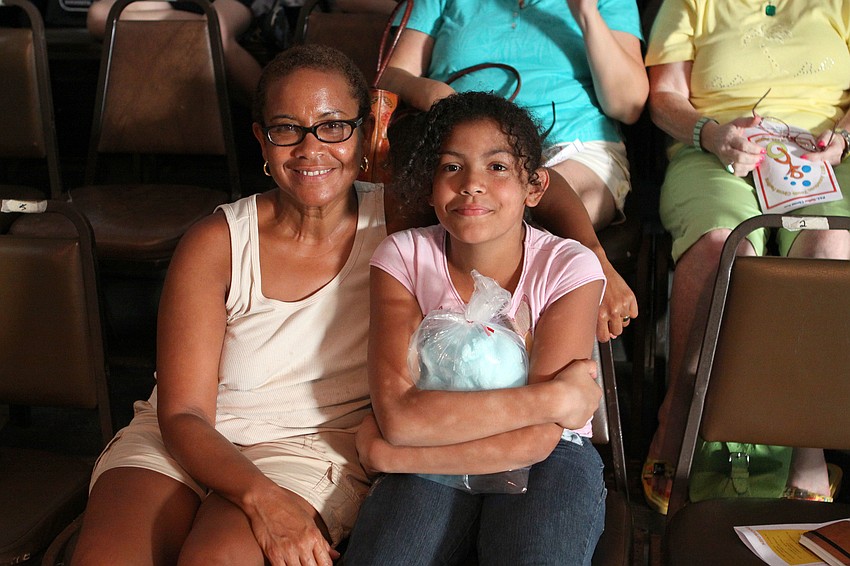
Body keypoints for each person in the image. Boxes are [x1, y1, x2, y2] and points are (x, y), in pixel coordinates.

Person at [71, 45, 384, 566]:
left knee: (214, 559)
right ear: (262, 138)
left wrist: (576, 237)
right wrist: (261, 499)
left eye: (333, 126)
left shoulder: (398, 222)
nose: (311, 148)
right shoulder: (217, 240)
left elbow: (513, 179)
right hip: (190, 435)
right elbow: (184, 411)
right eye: (287, 128)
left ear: (365, 132)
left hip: (308, 445)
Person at [342, 91, 607, 566]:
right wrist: (553, 399)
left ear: (535, 186)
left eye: (498, 167)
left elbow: (538, 438)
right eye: (450, 167)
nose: (472, 185)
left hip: (549, 458)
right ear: (428, 185)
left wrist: (393, 458)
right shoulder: (403, 258)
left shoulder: (569, 265)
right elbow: (399, 416)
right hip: (431, 437)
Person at [643, 0, 850, 515]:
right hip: (715, 147)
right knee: (723, 248)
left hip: (821, 156)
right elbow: (663, 97)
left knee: (829, 247)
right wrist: (711, 134)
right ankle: (678, 418)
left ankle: (808, 440)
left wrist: (841, 136)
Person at [377, 0, 645, 341]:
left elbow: (629, 105)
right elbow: (390, 73)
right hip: (468, 147)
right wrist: (437, 96)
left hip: (573, 144)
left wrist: (586, 13)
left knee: (523, 213)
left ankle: (540, 349)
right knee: (476, 211)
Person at [86, 0, 262, 106]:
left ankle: (274, 114)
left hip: (232, 4)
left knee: (217, 31)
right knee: (100, 15)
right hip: (178, 4)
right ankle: (200, 27)